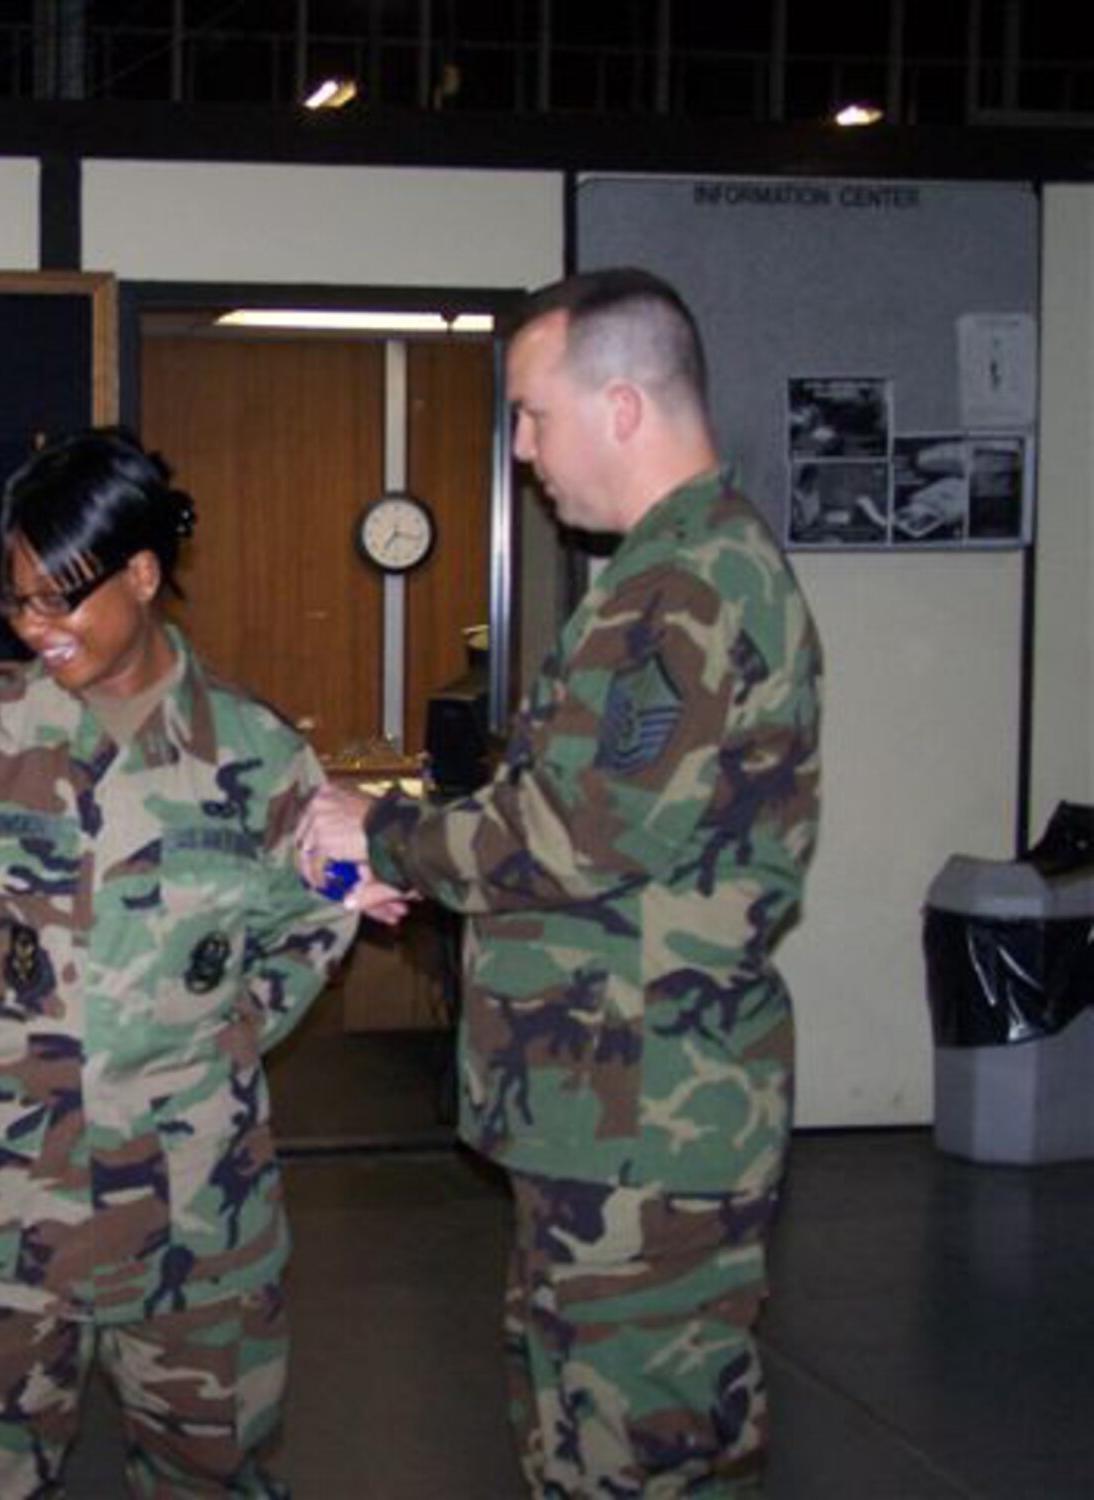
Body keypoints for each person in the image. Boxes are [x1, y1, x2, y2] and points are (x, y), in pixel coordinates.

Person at [297, 268, 822, 1497]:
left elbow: (567, 834)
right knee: (581, 1425)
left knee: (637, 1448)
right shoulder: (664, 573)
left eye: (532, 414)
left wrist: (377, 833)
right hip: (606, 1104)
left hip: (645, 1117)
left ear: (623, 405)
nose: (522, 451)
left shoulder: (680, 591)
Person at [0, 430, 359, 1497]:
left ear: (141, 576)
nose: (37, 628)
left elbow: (317, 913)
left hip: (197, 1230)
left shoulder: (260, 757)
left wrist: (216, 1043)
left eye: (60, 600)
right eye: (17, 601)